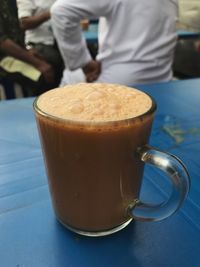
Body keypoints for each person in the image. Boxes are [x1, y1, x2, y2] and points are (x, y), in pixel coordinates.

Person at [50, 0, 178, 86]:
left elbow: (61, 11)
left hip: (119, 81)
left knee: (71, 75)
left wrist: (83, 63)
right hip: (162, 77)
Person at [0, 0, 55, 96]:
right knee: (42, 77)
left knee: (52, 61)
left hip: (15, 52)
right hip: (3, 59)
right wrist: (39, 63)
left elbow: (14, 34)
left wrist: (27, 51)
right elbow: (3, 42)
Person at [16, 0, 64, 87]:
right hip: (39, 42)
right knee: (55, 59)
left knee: (86, 54)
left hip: (61, 39)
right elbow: (24, 23)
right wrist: (49, 14)